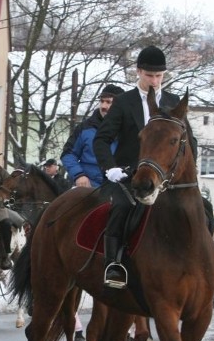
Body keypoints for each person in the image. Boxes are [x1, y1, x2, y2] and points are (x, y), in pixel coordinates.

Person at [92, 46, 184, 288]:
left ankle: (206, 262)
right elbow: (101, 139)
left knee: (201, 206)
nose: (154, 81)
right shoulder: (124, 102)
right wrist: (110, 169)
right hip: (129, 175)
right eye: (149, 76)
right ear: (139, 72)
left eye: (159, 76)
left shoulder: (175, 103)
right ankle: (114, 264)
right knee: (121, 208)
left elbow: (188, 143)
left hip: (165, 177)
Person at [60, 84, 124, 188]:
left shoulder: (129, 130)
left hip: (119, 188)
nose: (103, 106)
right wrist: (79, 175)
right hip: (88, 187)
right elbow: (68, 154)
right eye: (102, 101)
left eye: (108, 102)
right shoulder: (85, 128)